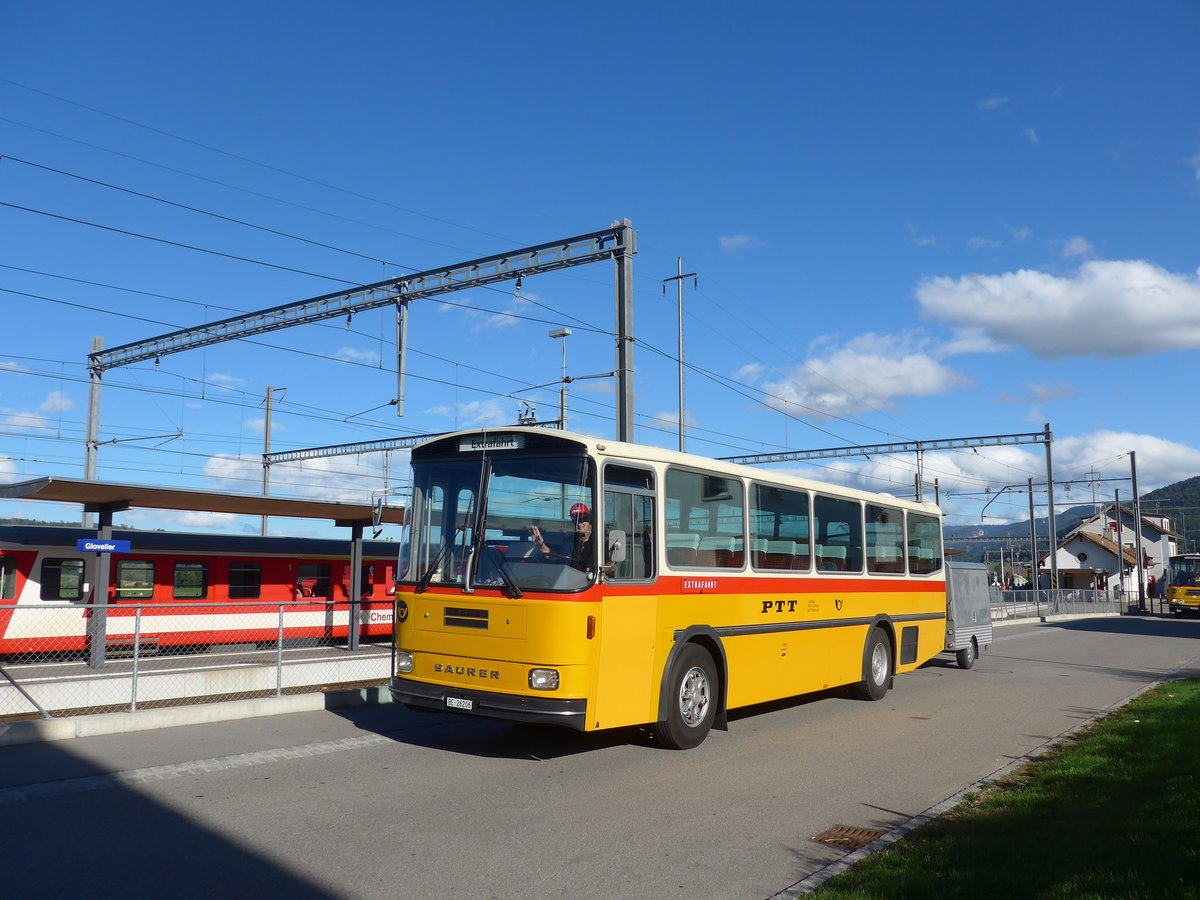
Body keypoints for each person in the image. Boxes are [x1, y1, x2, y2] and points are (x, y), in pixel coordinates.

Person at [527, 503, 595, 575]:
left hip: (593, 581)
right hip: (573, 580)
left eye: (582, 519)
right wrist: (541, 545)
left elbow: (606, 565)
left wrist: (592, 569)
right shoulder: (569, 541)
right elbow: (557, 557)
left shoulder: (600, 541)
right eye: (575, 520)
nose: (579, 524)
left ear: (589, 519)